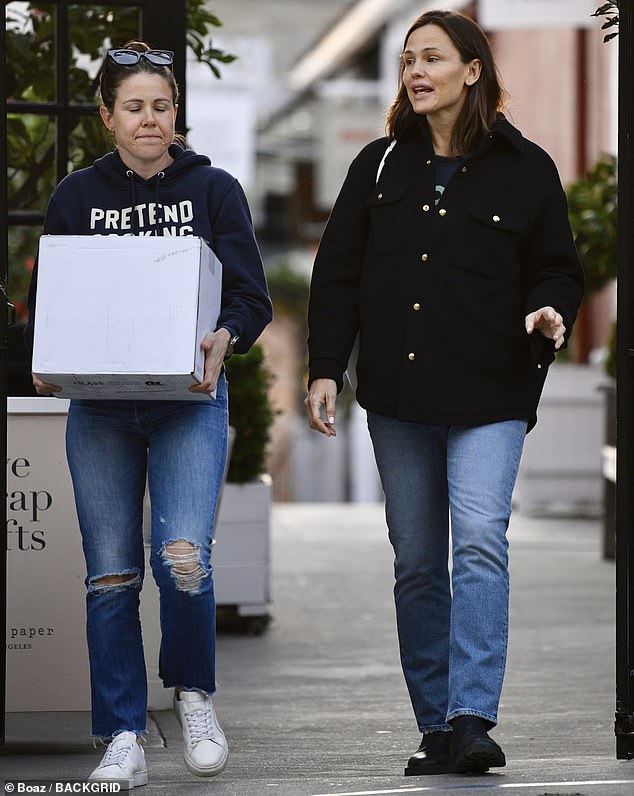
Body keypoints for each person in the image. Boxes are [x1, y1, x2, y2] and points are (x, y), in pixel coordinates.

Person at [305, 10, 584, 777]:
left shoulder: (526, 169)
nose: (414, 72)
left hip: (491, 392)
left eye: (430, 57)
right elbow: (337, 275)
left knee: (481, 545)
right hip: (396, 397)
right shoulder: (379, 167)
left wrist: (550, 307)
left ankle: (472, 718)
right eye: (406, 61)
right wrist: (326, 367)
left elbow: (557, 266)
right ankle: (434, 723)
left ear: (471, 70)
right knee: (419, 562)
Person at [24, 41, 272, 788]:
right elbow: (55, 299)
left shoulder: (214, 190)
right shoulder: (74, 196)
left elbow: (251, 297)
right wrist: (47, 350)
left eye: (161, 106)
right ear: (106, 116)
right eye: (133, 107)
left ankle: (193, 697)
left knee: (185, 561)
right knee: (110, 578)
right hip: (100, 408)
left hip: (188, 402)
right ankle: (123, 733)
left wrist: (227, 335)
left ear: (175, 113)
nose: (149, 120)